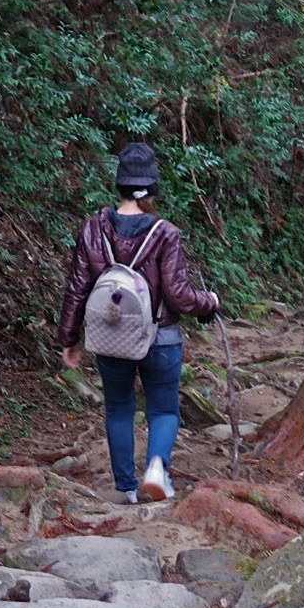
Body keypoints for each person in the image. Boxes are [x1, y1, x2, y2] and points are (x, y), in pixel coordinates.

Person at [57, 142, 220, 504]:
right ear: (153, 186)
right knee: (163, 408)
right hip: (160, 338)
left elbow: (77, 288)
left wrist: (69, 338)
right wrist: (210, 302)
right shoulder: (165, 233)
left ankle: (126, 488)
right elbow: (178, 295)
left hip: (110, 336)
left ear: (120, 184)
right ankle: (157, 470)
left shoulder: (92, 229)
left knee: (118, 408)